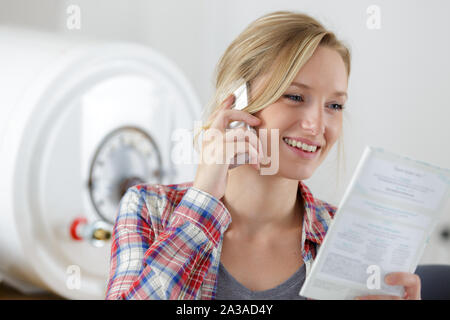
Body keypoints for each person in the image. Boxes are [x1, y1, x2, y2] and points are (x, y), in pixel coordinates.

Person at [105, 10, 421, 300]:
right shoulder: (151, 210)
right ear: (238, 103)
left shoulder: (348, 237)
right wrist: (203, 199)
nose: (316, 125)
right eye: (295, 96)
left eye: (334, 106)